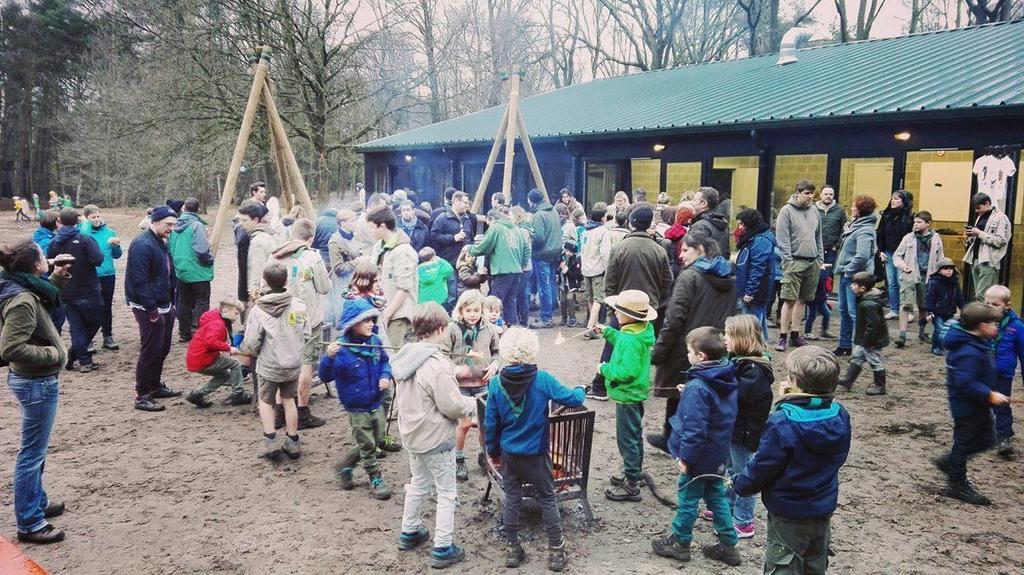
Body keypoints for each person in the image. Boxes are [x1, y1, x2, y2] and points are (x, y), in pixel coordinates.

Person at [731, 346, 851, 574]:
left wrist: (740, 484)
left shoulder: (782, 422)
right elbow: (839, 455)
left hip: (788, 512)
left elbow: (764, 467)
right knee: (815, 562)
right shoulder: (840, 414)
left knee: (783, 565)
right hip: (822, 506)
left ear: (794, 382)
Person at [484, 327, 586, 572]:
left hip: (510, 455)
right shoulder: (543, 379)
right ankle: (556, 551)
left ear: (507, 352)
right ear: (531, 351)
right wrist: (582, 389)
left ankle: (512, 549)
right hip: (537, 455)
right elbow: (573, 399)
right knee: (548, 498)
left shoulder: (496, 384)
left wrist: (494, 451)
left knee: (512, 499)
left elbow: (491, 423)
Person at [390, 302, 477, 570]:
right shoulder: (437, 365)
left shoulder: (406, 356)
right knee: (447, 492)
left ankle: (410, 529)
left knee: (418, 483)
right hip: (436, 440)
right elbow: (451, 406)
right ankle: (442, 546)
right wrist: (473, 404)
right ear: (440, 329)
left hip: (413, 436)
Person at [0, 240, 74, 544]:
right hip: (36, 383)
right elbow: (11, 347)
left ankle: (37, 502)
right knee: (31, 454)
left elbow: (43, 303)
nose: (48, 258)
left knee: (35, 450)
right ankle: (30, 523)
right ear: (34, 265)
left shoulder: (23, 285)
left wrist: (56, 277)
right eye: (44, 257)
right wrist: (53, 356)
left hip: (32, 382)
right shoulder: (22, 299)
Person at [651, 327, 740, 567]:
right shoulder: (725, 376)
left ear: (701, 356)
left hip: (698, 456)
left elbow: (695, 428)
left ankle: (680, 542)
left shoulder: (699, 388)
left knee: (688, 498)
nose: (687, 355)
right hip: (717, 453)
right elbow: (715, 407)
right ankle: (729, 545)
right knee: (716, 497)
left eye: (690, 351)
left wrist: (686, 458)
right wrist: (689, 389)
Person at [649, 232, 734, 452]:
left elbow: (674, 317)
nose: (681, 255)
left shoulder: (690, 277)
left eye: (685, 250)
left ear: (701, 250)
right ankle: (683, 438)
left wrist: (659, 351)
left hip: (689, 346)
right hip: (715, 344)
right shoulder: (728, 277)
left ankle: (673, 439)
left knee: (680, 394)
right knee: (707, 393)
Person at [590, 206, 672, 401]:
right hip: (646, 308)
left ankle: (599, 385)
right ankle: (635, 385)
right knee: (641, 347)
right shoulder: (659, 250)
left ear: (631, 222)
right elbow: (667, 281)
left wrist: (612, 303)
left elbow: (609, 280)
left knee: (613, 344)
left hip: (623, 308)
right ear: (649, 223)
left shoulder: (620, 248)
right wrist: (654, 299)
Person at [933, 302, 1010, 505]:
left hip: (978, 404)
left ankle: (949, 462)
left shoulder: (977, 343)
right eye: (995, 323)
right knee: (964, 443)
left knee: (987, 440)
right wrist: (988, 394)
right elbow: (964, 382)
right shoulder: (968, 350)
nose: (997, 327)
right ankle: (957, 484)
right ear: (983, 326)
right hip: (967, 407)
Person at [320, 297, 393, 499]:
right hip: (356, 406)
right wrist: (328, 358)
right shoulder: (341, 350)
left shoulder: (375, 342)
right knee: (368, 445)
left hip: (376, 401)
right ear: (352, 324)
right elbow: (325, 376)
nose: (371, 324)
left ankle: (346, 464)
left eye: (372, 319)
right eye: (366, 320)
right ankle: (375, 478)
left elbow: (385, 363)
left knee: (377, 439)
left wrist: (385, 376)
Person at [593, 290, 656, 502]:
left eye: (619, 311)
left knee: (626, 439)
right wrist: (607, 332)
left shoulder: (630, 339)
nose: (615, 313)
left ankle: (631, 485)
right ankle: (635, 472)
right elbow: (622, 338)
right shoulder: (639, 330)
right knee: (634, 434)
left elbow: (626, 371)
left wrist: (605, 369)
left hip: (627, 396)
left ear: (631, 316)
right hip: (635, 394)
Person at [242, 263, 309, 460]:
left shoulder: (258, 310)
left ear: (265, 282)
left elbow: (252, 342)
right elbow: (306, 333)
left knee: (266, 400)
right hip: (292, 363)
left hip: (269, 364)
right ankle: (293, 440)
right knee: (289, 399)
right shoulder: (298, 305)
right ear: (286, 280)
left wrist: (255, 353)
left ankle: (271, 440)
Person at [269, 218, 331, 429]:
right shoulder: (312, 257)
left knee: (283, 364)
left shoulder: (275, 255)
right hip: (308, 318)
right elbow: (324, 288)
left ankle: (279, 412)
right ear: (311, 238)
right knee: (306, 364)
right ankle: (303, 411)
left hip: (281, 317)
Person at [721, 315, 774, 539]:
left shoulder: (753, 370)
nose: (724, 339)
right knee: (732, 471)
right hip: (735, 431)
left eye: (729, 335)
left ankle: (744, 521)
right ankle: (727, 508)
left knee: (744, 475)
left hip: (745, 433)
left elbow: (736, 396)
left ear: (742, 339)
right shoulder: (738, 362)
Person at [126, 205, 181, 411]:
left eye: (174, 225)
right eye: (168, 224)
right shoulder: (142, 245)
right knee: (150, 349)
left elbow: (167, 273)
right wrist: (151, 309)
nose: (172, 228)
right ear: (154, 222)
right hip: (148, 306)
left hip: (164, 303)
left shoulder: (160, 242)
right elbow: (139, 281)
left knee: (163, 347)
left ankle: (155, 385)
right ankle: (142, 395)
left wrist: (172, 302)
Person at [442, 289, 500, 481]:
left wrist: (495, 365)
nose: (473, 314)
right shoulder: (452, 329)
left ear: (482, 310)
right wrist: (456, 368)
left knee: (486, 424)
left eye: (476, 310)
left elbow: (497, 353)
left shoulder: (490, 329)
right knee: (465, 424)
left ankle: (484, 456)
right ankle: (458, 459)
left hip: (483, 384)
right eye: (469, 310)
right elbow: (442, 356)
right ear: (461, 310)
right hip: (461, 385)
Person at [47, 207, 104, 373]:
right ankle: (78, 357)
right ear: (78, 220)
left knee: (77, 327)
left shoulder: (54, 242)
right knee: (94, 323)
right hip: (88, 290)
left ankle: (79, 358)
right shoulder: (85, 239)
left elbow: (50, 265)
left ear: (59, 222)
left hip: (64, 291)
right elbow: (98, 259)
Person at [774, 180, 823, 351]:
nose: (810, 197)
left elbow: (818, 236)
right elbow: (782, 238)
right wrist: (788, 261)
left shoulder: (814, 210)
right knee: (789, 300)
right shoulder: (786, 211)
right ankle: (782, 336)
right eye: (807, 193)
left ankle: (795, 334)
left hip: (812, 261)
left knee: (803, 300)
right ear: (798, 193)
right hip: (794, 261)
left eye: (812, 193)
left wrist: (820, 258)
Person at [982, 285, 1024, 459]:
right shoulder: (979, 322)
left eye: (995, 304)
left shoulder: (1016, 326)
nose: (990, 307)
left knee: (1001, 405)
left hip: (1003, 375)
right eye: (987, 303)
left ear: (1007, 305)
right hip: (982, 372)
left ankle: (1004, 437)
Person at [184, 298, 250, 407]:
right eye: (236, 313)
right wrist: (228, 348)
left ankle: (197, 394)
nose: (237, 317)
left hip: (196, 358)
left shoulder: (213, 319)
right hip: (203, 359)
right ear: (225, 311)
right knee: (235, 364)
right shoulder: (218, 324)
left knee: (224, 375)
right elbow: (210, 342)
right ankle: (238, 394)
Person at [369, 205, 419, 348]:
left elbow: (404, 289)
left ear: (382, 226)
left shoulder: (404, 251)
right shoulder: (378, 247)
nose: (370, 231)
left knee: (394, 358)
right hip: (381, 311)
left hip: (398, 316)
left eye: (372, 227)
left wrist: (387, 315)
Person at [833, 195, 878, 356]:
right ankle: (844, 344)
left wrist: (848, 270)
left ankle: (858, 348)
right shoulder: (856, 225)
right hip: (849, 276)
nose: (851, 209)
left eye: (854, 207)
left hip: (855, 278)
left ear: (860, 210)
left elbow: (863, 255)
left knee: (854, 313)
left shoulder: (865, 229)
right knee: (844, 310)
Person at [892, 210, 944, 348]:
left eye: (919, 222)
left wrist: (940, 275)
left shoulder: (936, 239)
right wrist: (903, 266)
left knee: (923, 306)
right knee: (906, 305)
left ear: (928, 224)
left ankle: (922, 332)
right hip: (909, 275)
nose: (915, 224)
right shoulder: (908, 238)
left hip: (927, 277)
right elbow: (897, 256)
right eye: (915, 222)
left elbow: (940, 259)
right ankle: (902, 335)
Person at [469, 208, 528, 327]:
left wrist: (471, 250)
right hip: (517, 271)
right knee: (511, 300)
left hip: (501, 271)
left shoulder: (496, 227)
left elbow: (485, 246)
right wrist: (521, 264)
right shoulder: (518, 229)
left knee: (495, 302)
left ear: (492, 219)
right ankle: (511, 327)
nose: (488, 226)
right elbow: (527, 249)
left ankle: (493, 328)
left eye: (488, 223)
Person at [168, 198, 214, 342]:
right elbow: (201, 250)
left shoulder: (174, 226)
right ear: (197, 210)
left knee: (184, 301)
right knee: (202, 301)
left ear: (183, 209)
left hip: (181, 270)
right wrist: (210, 260)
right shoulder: (196, 225)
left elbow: (170, 248)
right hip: (198, 271)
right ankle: (197, 332)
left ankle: (184, 333)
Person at [838, 271, 891, 396]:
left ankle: (880, 386)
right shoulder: (866, 300)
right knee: (857, 357)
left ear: (862, 288)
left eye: (854, 284)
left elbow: (873, 326)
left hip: (871, 341)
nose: (851, 286)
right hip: (865, 339)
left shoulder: (869, 304)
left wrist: (869, 342)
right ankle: (848, 380)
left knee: (874, 360)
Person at [78, 204, 122, 351]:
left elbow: (117, 255)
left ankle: (107, 336)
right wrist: (86, 224)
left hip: (108, 273)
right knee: (88, 307)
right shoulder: (82, 232)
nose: (96, 220)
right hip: (90, 275)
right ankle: (88, 339)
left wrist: (116, 246)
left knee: (106, 306)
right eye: (92, 217)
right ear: (85, 218)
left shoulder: (109, 232)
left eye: (98, 216)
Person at [734, 208, 776, 340]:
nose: (740, 227)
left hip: (756, 290)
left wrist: (749, 292)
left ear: (749, 223)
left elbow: (757, 268)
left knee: (752, 324)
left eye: (742, 224)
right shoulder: (755, 238)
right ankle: (763, 350)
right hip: (755, 289)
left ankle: (756, 352)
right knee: (759, 322)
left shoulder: (760, 240)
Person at [963, 192, 1011, 301]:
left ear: (987, 203)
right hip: (975, 259)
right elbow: (981, 237)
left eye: (978, 208)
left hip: (988, 261)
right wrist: (972, 235)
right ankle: (983, 316)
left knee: (982, 295)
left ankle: (986, 317)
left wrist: (979, 233)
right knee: (978, 294)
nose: (976, 211)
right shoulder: (980, 217)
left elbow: (1000, 241)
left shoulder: (1001, 218)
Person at [527, 189, 562, 329]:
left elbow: (539, 237)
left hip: (542, 254)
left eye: (528, 200)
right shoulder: (553, 211)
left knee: (544, 286)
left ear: (532, 200)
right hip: (555, 252)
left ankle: (546, 317)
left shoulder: (539, 215)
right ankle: (550, 313)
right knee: (552, 284)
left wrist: (529, 237)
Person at [877, 190, 915, 317]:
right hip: (888, 252)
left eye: (896, 199)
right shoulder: (887, 215)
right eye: (892, 198)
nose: (892, 201)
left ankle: (907, 310)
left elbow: (911, 237)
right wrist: (881, 251)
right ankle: (894, 309)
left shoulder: (910, 218)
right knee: (892, 283)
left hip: (903, 255)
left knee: (902, 282)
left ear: (904, 202)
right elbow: (880, 234)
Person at [236, 200, 280, 304]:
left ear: (255, 220)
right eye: (240, 220)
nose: (240, 224)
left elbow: (256, 270)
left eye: (244, 220)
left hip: (262, 293)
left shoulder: (257, 242)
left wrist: (254, 294)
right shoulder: (268, 234)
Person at [580, 206, 611, 336]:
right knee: (599, 299)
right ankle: (590, 328)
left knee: (590, 298)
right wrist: (607, 268)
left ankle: (594, 325)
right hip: (598, 269)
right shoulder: (603, 231)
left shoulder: (585, 231)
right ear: (603, 218)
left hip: (586, 268)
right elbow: (605, 253)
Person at [327, 208, 360, 329]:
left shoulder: (353, 236)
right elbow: (338, 268)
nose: (355, 223)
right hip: (343, 285)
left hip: (355, 281)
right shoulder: (335, 242)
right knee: (344, 318)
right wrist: (357, 262)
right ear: (342, 223)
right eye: (352, 221)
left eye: (355, 220)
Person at [924, 258, 964, 356]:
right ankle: (936, 347)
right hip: (937, 312)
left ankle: (942, 346)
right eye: (946, 268)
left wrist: (964, 308)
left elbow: (959, 297)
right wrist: (930, 311)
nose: (949, 270)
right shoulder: (934, 282)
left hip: (949, 311)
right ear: (939, 270)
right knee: (939, 329)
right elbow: (930, 297)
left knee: (947, 330)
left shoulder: (955, 282)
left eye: (951, 268)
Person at [429, 190, 475, 268]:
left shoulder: (467, 219)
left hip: (464, 265)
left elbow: (471, 239)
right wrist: (453, 238)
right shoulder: (442, 218)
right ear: (456, 201)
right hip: (448, 264)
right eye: (465, 203)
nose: (467, 206)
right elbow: (434, 236)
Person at [508, 206, 534, 326]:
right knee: (523, 294)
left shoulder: (522, 231)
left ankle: (518, 321)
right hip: (527, 267)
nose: (509, 217)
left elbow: (524, 250)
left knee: (515, 295)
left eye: (510, 215)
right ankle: (524, 320)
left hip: (523, 267)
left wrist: (521, 264)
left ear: (517, 216)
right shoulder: (526, 229)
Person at [688, 187, 731, 259]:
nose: (691, 202)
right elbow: (727, 253)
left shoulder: (700, 226)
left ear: (704, 203)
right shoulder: (723, 225)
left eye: (694, 200)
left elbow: (693, 255)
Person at [815, 185, 847, 267]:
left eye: (831, 194)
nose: (828, 196)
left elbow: (844, 229)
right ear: (821, 195)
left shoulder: (840, 210)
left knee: (828, 275)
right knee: (815, 273)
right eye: (826, 194)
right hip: (815, 248)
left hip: (831, 249)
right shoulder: (813, 209)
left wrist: (837, 246)